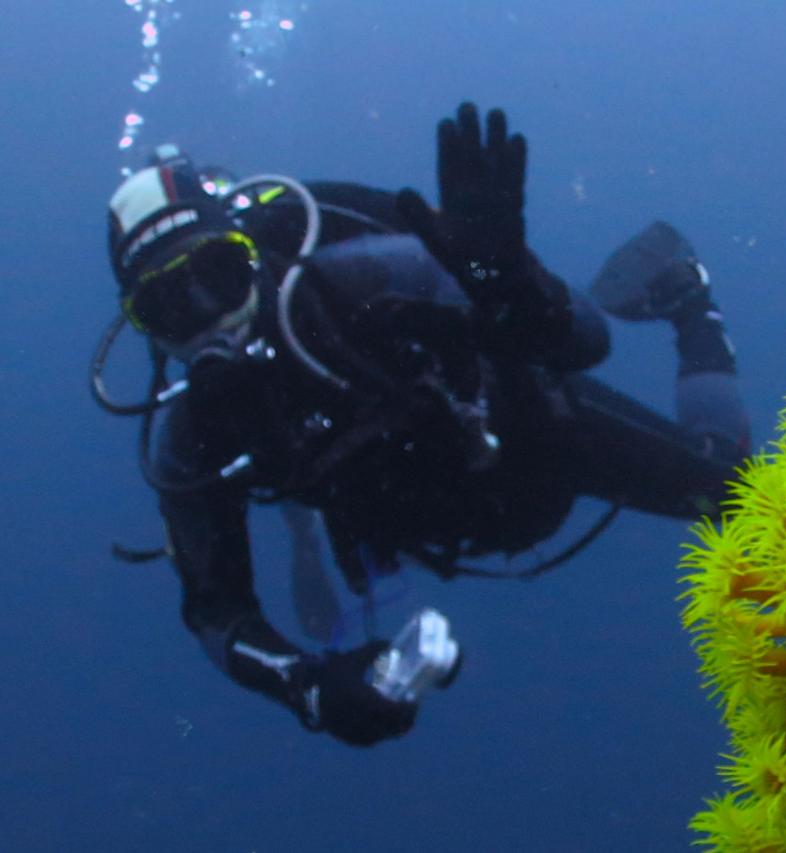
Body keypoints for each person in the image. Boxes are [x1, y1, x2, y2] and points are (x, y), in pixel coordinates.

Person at [96, 103, 750, 746]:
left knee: (735, 490)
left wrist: (509, 283)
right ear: (147, 332)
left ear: (253, 258)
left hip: (541, 437)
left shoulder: (363, 277)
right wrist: (309, 688)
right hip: (439, 520)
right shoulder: (192, 438)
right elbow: (214, 608)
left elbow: (586, 340)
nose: (210, 316)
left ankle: (688, 297)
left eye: (218, 273)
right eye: (168, 305)